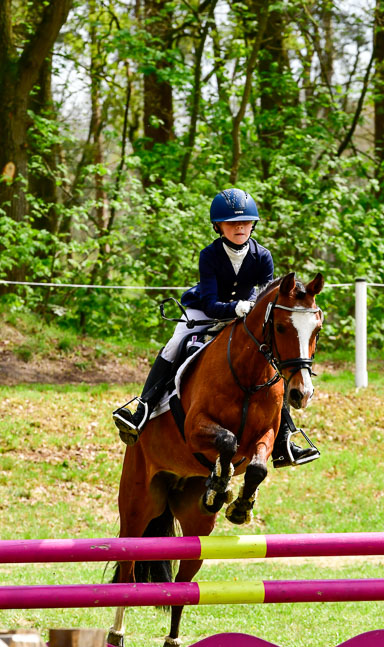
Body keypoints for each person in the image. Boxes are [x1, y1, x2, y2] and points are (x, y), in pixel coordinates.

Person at [112, 187, 319, 467]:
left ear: (253, 225)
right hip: (205, 310)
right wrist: (235, 308)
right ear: (218, 226)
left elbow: (265, 298)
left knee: (272, 362)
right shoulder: (209, 255)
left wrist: (249, 311)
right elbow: (210, 303)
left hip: (246, 316)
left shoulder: (263, 256)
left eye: (245, 222)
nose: (240, 227)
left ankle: (284, 439)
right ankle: (143, 409)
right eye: (232, 223)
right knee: (175, 343)